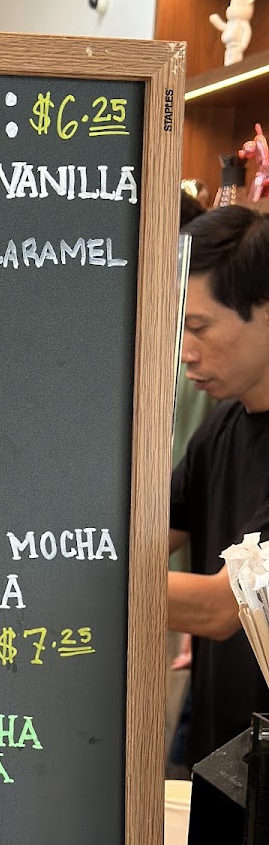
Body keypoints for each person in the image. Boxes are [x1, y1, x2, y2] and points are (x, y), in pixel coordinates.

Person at [168, 205, 269, 768]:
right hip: (221, 754)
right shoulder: (221, 425)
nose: (185, 350)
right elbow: (149, 535)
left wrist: (41, 585)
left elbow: (222, 606)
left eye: (200, 327)